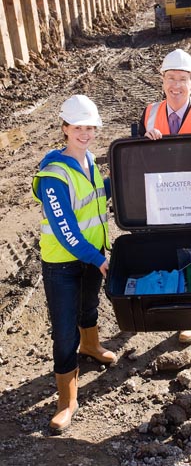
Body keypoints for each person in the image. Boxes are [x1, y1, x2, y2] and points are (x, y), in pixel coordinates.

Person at [32, 94, 117, 433]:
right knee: (65, 331)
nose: (85, 133)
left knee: (89, 308)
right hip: (63, 264)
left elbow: (99, 196)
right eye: (78, 127)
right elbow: (65, 229)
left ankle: (93, 345)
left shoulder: (90, 162)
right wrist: (100, 260)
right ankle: (67, 401)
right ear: (65, 128)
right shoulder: (53, 175)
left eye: (90, 127)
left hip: (89, 256)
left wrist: (132, 167)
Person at [139, 48, 191, 343]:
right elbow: (134, 160)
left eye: (182, 79)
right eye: (170, 78)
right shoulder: (149, 114)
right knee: (160, 251)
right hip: (160, 199)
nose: (176, 85)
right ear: (162, 80)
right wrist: (143, 141)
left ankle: (189, 319)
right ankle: (160, 308)